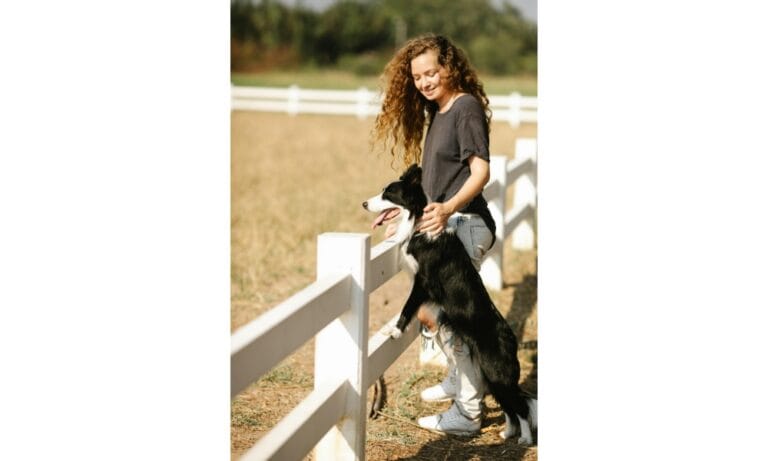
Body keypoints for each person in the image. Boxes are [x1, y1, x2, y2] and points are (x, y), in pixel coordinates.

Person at [371, 34, 497, 436]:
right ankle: (460, 382)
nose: (424, 82)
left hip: (465, 224)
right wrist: (407, 217)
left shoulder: (465, 109)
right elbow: (434, 181)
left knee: (453, 323)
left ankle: (467, 413)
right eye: (417, 77)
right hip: (443, 223)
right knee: (438, 317)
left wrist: (447, 209)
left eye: (431, 73)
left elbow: (480, 172)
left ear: (450, 68)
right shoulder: (439, 111)